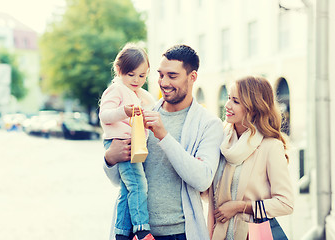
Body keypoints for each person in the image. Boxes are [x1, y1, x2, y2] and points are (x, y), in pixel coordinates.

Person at [103, 44, 224, 240]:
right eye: (160, 75)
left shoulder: (209, 124)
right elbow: (120, 180)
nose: (164, 82)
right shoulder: (143, 111)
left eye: (172, 76)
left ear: (192, 77)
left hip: (179, 233)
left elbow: (202, 180)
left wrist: (163, 136)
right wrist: (109, 159)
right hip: (135, 233)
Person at [206, 76, 294, 239]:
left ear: (254, 108)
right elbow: (208, 193)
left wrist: (240, 206)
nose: (227, 105)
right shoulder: (221, 140)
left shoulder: (270, 146)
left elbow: (285, 204)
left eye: (236, 101)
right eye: (228, 98)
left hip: (253, 234)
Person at [99, 43, 155, 240]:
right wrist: (124, 111)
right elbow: (104, 115)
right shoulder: (116, 90)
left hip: (130, 143)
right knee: (139, 185)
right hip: (121, 143)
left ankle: (122, 232)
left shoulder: (137, 93)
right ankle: (141, 228)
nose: (137, 80)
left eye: (142, 76)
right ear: (119, 70)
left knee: (127, 187)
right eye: (131, 74)